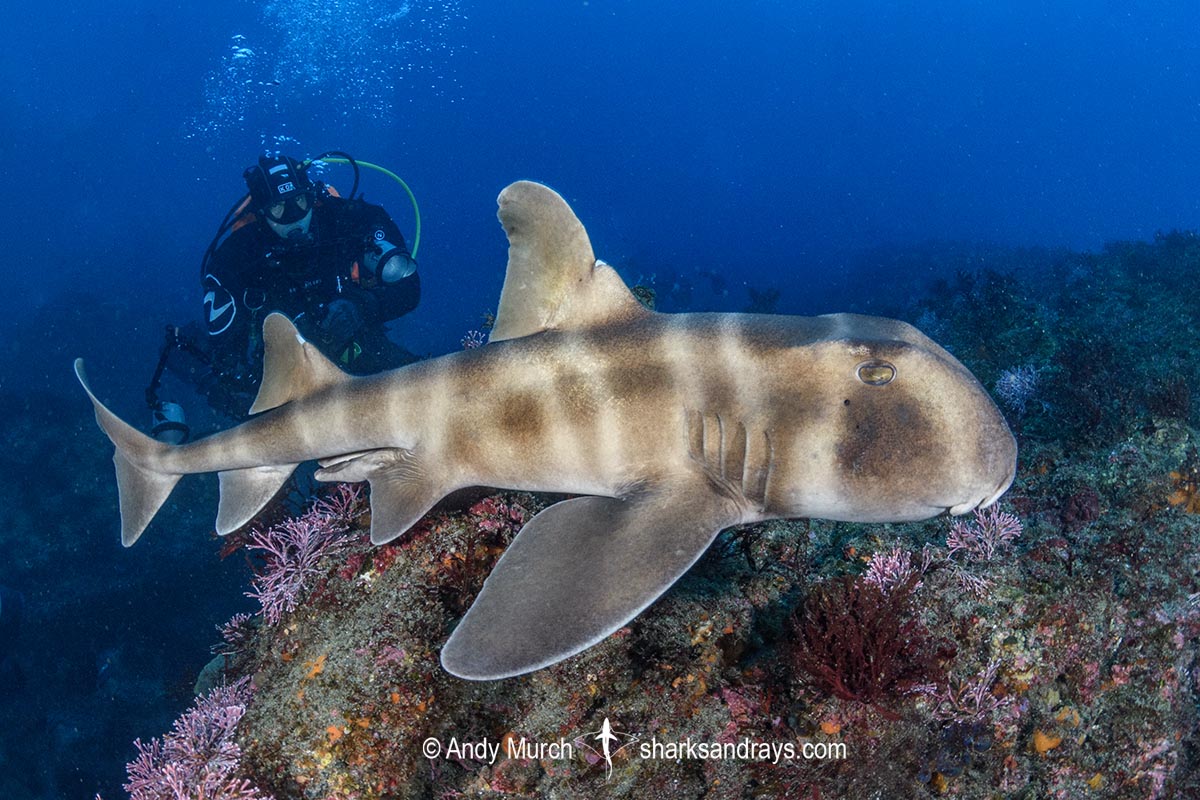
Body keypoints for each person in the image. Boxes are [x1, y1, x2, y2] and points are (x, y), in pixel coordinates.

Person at [153, 153, 421, 431]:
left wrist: (362, 306)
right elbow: (227, 353)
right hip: (279, 371)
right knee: (241, 402)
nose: (294, 218)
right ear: (261, 211)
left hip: (353, 345)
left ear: (312, 197)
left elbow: (410, 289)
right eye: (279, 209)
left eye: (300, 202)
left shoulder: (351, 222)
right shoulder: (234, 258)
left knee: (421, 394)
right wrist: (230, 386)